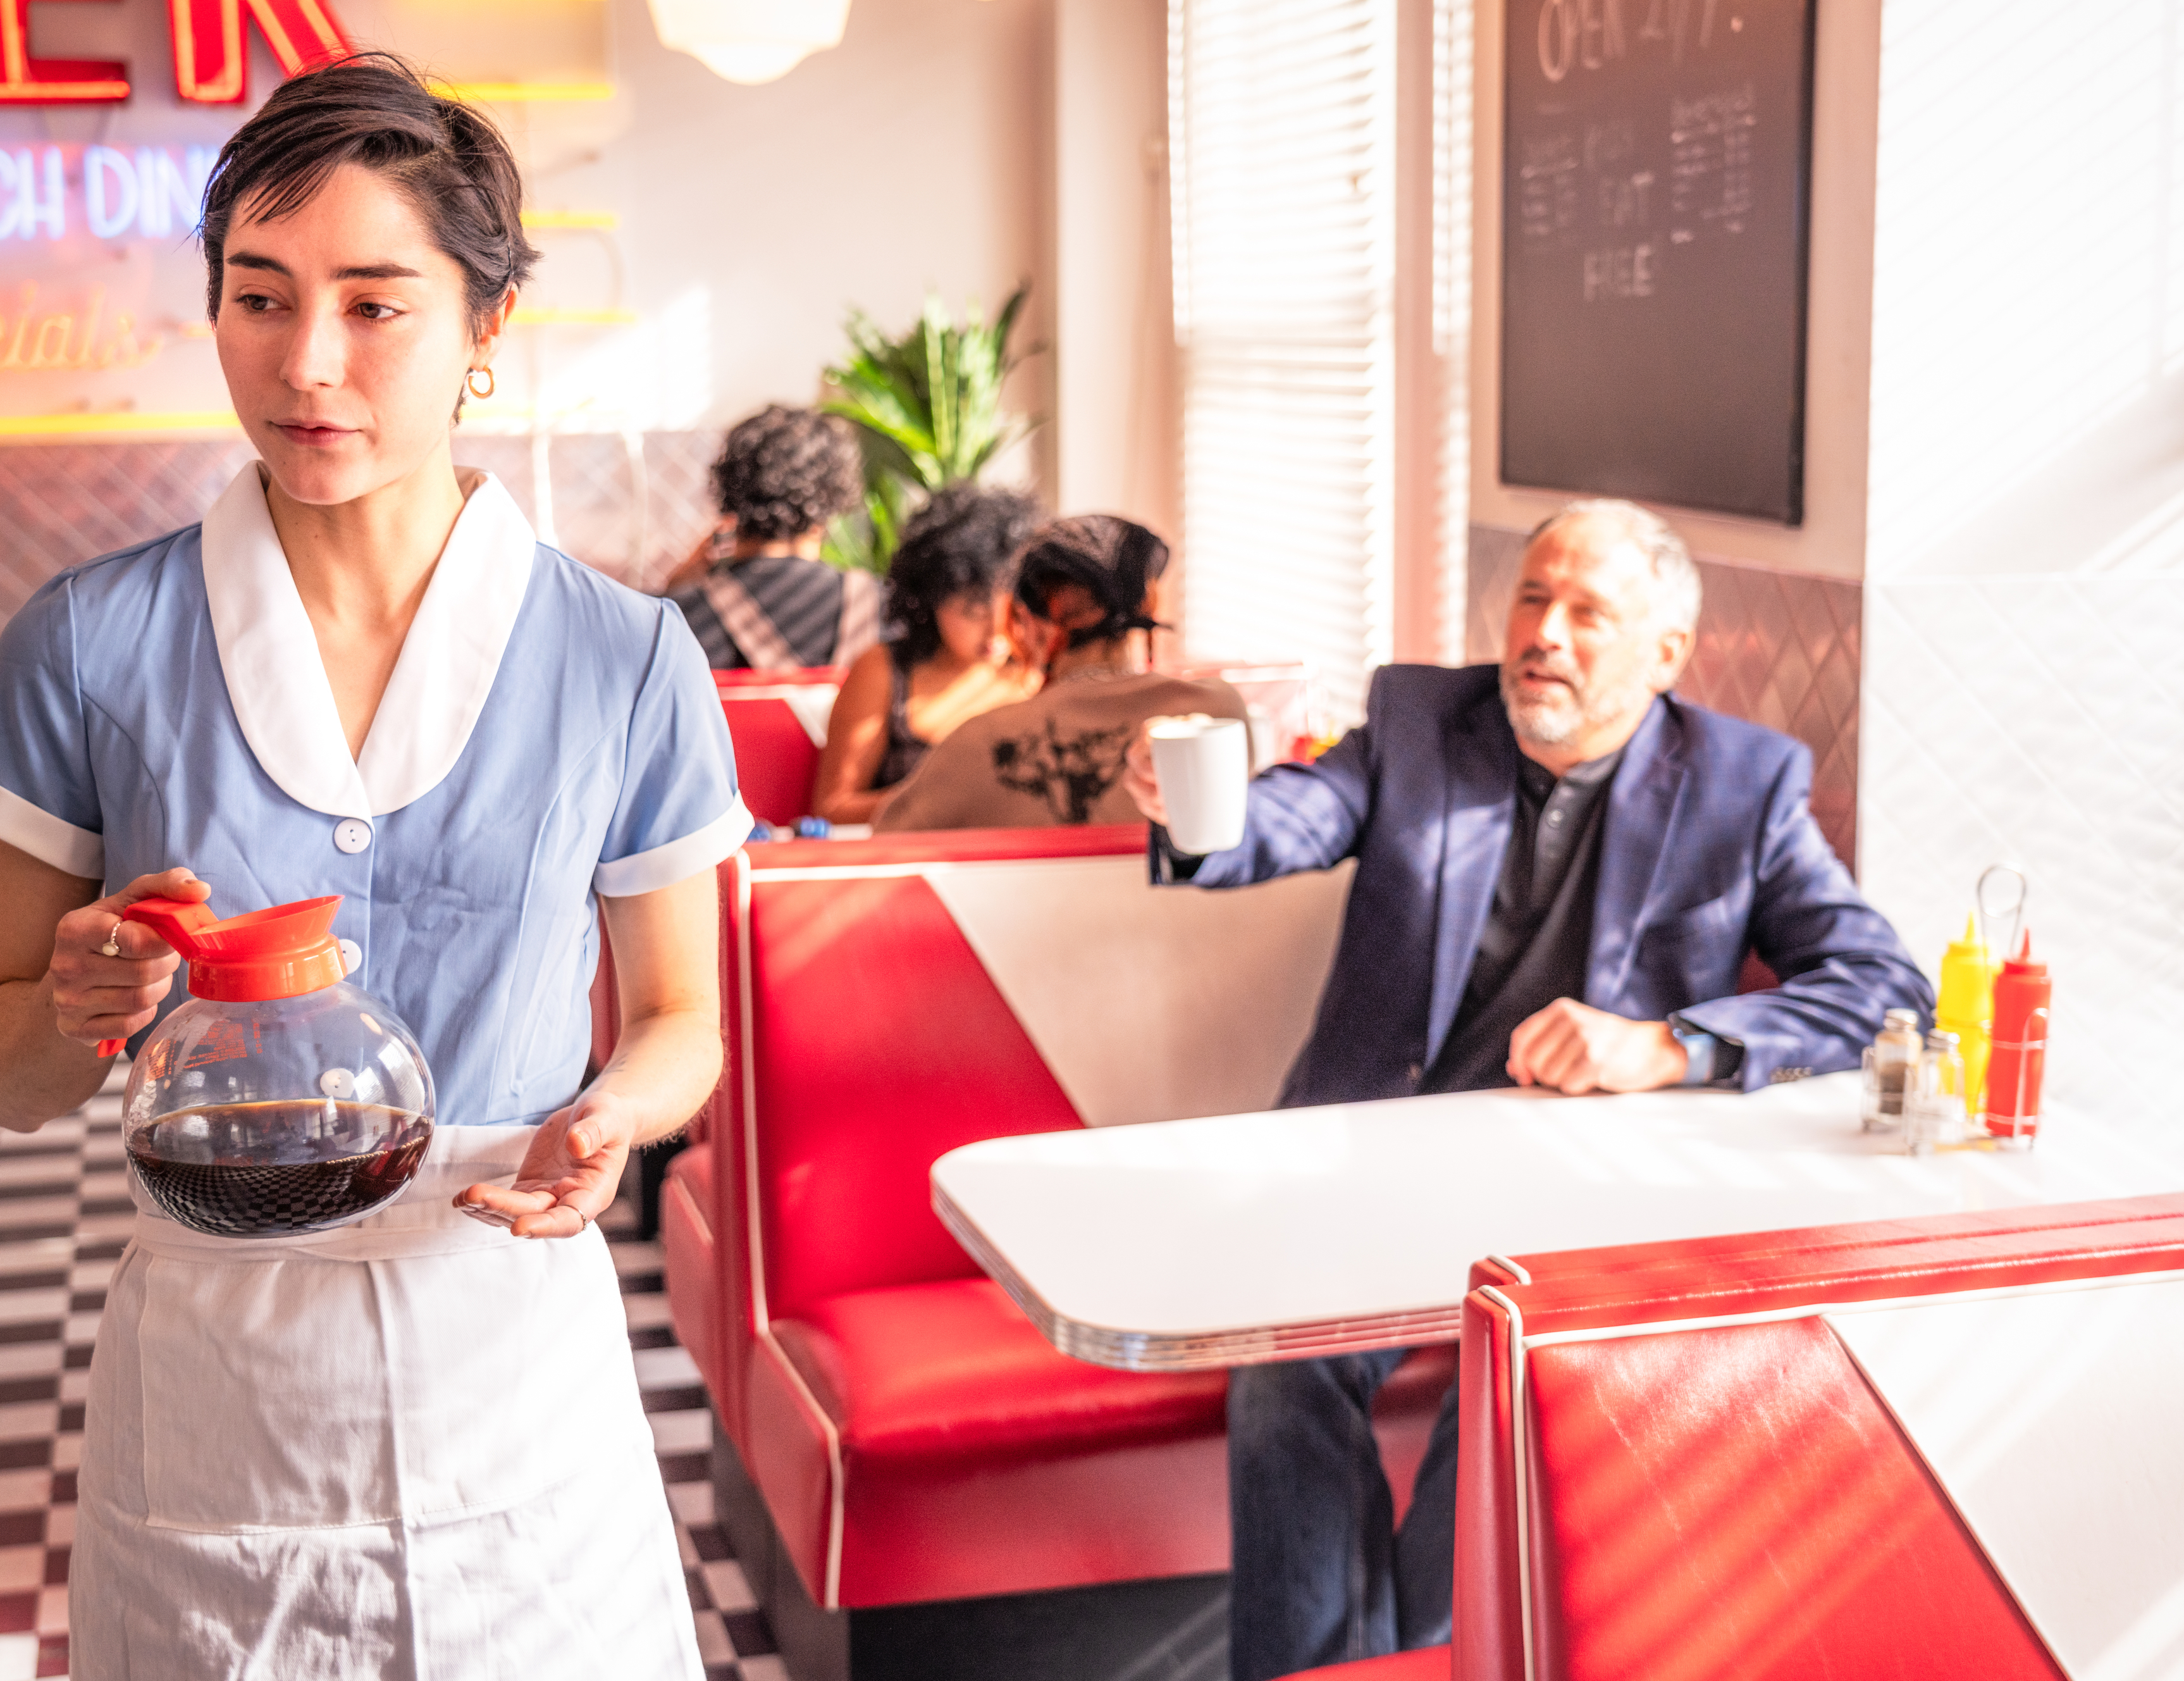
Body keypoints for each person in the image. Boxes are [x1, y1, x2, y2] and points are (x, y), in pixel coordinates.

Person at [0, 56, 743, 1679]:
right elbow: (5, 1077)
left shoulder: (624, 660)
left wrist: (613, 1113)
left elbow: (683, 1022)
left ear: (484, 331)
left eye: (376, 304)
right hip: (225, 1372)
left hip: (508, 1351)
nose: (306, 363)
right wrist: (84, 1004)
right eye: (258, 295)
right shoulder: (89, 644)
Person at [1121, 498, 1934, 1680]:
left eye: (1588, 612)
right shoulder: (1416, 718)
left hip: (1576, 1203)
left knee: (1502, 1411)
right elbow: (1293, 818)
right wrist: (1199, 809)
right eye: (1533, 598)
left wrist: (1670, 1045)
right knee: (1285, 1372)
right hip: (1368, 1166)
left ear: (1665, 656)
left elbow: (1879, 978)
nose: (1545, 631)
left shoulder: (1741, 785)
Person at [875, 515, 1245, 832]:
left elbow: (883, 846)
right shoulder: (1219, 713)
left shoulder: (977, 744)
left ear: (1026, 623)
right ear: (1149, 604)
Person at [809, 481, 1044, 823]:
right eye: (972, 612)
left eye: (1012, 613)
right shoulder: (884, 670)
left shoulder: (1041, 671)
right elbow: (833, 809)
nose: (997, 631)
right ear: (931, 598)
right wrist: (938, 798)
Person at [666, 404, 877, 671]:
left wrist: (671, 592)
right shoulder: (875, 606)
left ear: (729, 492)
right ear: (831, 501)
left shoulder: (681, 617)